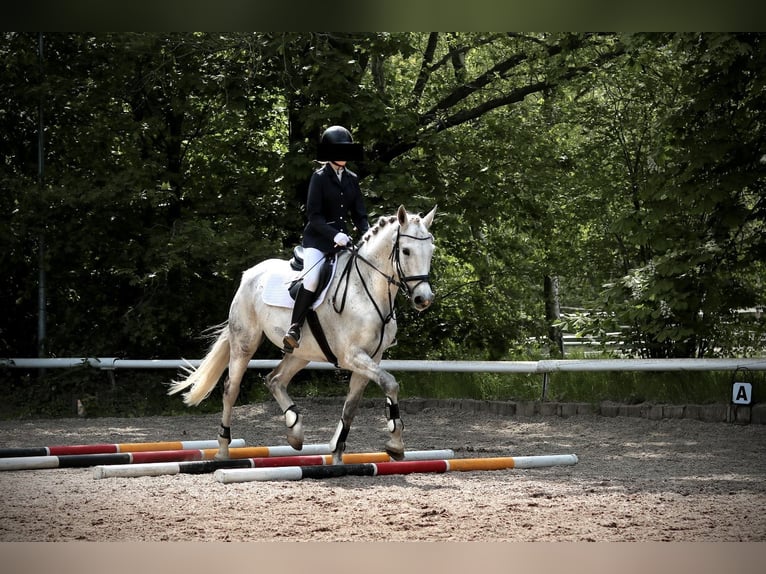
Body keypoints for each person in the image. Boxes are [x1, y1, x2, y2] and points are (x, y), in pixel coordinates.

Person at [283, 125, 370, 352]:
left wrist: (368, 234)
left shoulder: (351, 178)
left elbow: (360, 215)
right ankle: (294, 327)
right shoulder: (319, 178)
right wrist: (335, 234)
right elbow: (314, 216)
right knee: (312, 280)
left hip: (342, 244)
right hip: (318, 242)